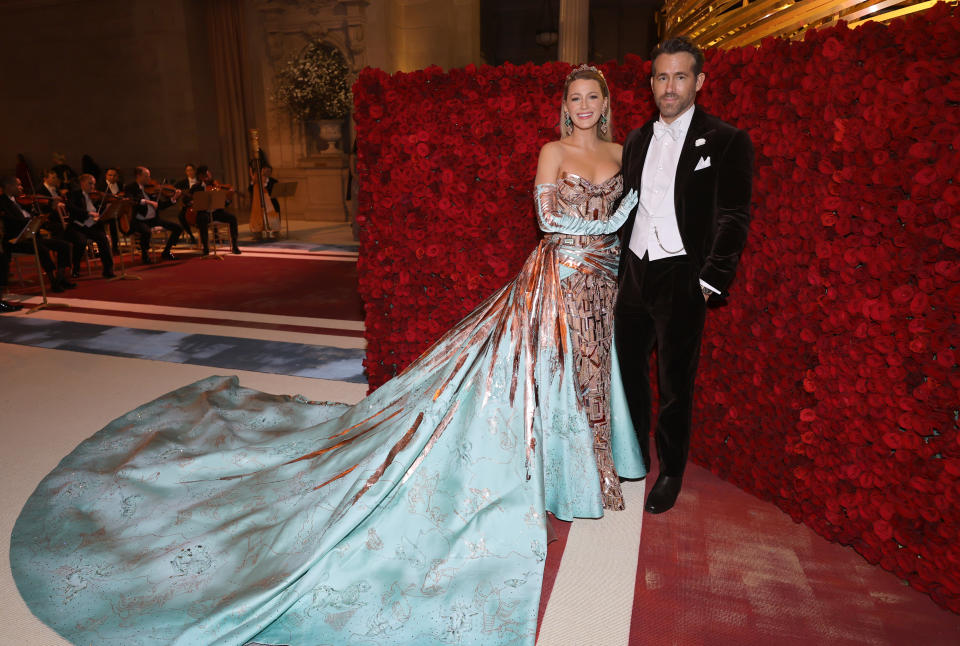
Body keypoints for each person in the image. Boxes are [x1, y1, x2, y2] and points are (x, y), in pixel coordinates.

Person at [10, 65, 643, 645]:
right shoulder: (551, 153)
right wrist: (610, 225)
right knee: (538, 377)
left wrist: (621, 231)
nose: (584, 107)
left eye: (594, 98)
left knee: (584, 373)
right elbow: (548, 219)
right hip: (555, 280)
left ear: (605, 105)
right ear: (563, 107)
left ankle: (580, 471)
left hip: (601, 281)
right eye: (575, 98)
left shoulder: (620, 153)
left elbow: (625, 215)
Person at [615, 37, 754, 514]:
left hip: (682, 274)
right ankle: (633, 457)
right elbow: (625, 208)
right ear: (651, 82)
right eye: (660, 77)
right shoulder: (635, 139)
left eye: (679, 76)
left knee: (675, 382)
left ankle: (671, 471)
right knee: (628, 374)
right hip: (634, 270)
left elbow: (733, 215)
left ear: (699, 81)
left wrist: (712, 277)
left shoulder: (726, 140)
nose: (668, 86)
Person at [0, 176, 75, 292]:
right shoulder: (2, 203)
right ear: (9, 187)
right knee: (42, 249)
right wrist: (32, 220)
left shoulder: (18, 200)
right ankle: (53, 281)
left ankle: (60, 277)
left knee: (65, 245)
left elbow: (37, 215)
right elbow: (12, 221)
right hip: (16, 240)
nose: (21, 187)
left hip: (32, 236)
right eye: (18, 185)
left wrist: (50, 208)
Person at [125, 166, 182, 263]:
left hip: (153, 219)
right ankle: (145, 255)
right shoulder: (130, 187)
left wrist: (173, 199)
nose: (149, 179)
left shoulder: (151, 189)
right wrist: (149, 202)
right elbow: (132, 201)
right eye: (147, 176)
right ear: (138, 176)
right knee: (146, 232)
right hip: (139, 220)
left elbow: (161, 206)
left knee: (178, 228)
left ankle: (166, 251)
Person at [65, 174, 116, 278]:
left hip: (92, 226)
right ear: (82, 183)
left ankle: (108, 270)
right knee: (81, 241)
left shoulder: (95, 196)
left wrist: (105, 208)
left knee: (103, 239)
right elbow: (71, 208)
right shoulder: (74, 194)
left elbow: (99, 211)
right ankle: (75, 269)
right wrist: (87, 213)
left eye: (94, 184)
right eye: (90, 184)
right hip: (77, 226)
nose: (93, 186)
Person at [192, 165, 241, 255]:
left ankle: (235, 246)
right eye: (206, 174)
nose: (209, 176)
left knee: (232, 218)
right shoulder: (195, 187)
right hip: (203, 213)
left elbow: (224, 204)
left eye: (209, 173)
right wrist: (193, 202)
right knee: (202, 219)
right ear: (200, 176)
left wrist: (229, 198)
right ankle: (206, 248)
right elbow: (187, 200)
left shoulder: (216, 186)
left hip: (216, 213)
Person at [97, 167, 125, 254]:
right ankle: (110, 247)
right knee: (112, 223)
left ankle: (117, 244)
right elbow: (98, 199)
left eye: (114, 175)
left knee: (120, 220)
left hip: (117, 211)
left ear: (118, 177)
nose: (112, 177)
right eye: (110, 175)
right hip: (104, 211)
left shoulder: (120, 185)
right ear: (106, 176)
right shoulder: (101, 185)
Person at [174, 163, 200, 244]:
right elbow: (175, 190)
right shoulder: (182, 182)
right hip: (187, 206)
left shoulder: (200, 181)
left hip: (200, 205)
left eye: (191, 170)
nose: (190, 172)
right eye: (187, 170)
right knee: (181, 216)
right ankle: (191, 236)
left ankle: (214, 235)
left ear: (194, 171)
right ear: (186, 172)